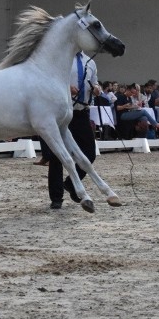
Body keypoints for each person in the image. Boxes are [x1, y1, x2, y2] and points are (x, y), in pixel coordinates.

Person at [44, 51, 101, 210]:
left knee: (89, 153)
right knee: (57, 157)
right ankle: (56, 197)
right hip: (62, 113)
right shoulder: (61, 57)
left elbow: (95, 82)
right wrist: (66, 87)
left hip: (82, 112)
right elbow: (49, 81)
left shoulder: (90, 61)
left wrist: (96, 88)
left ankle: (70, 183)